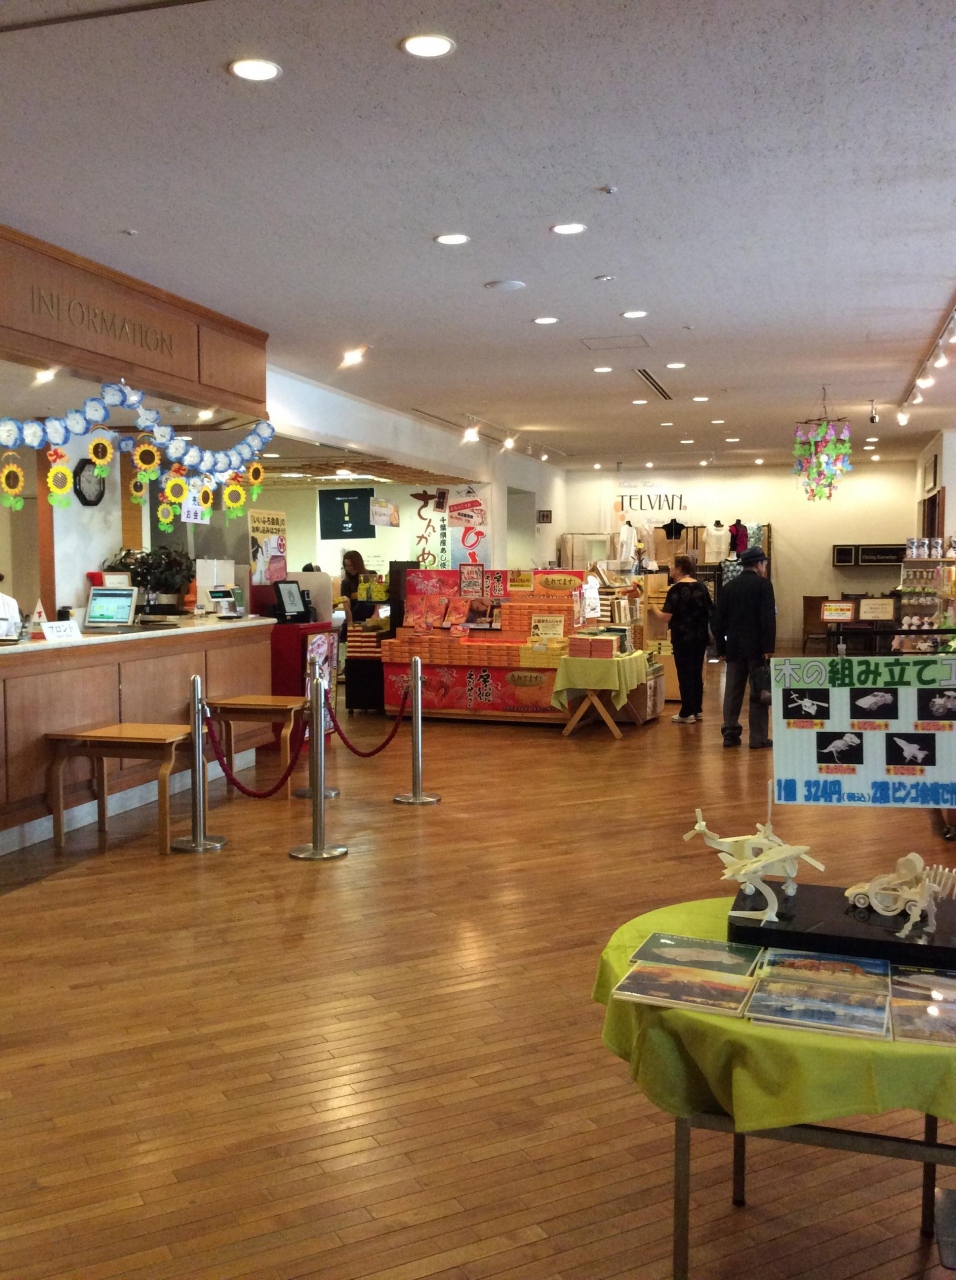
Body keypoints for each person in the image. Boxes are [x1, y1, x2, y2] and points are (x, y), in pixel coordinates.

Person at [711, 545, 775, 749]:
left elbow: (717, 621)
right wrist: (768, 647)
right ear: (758, 564)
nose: (765, 567)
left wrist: (721, 648)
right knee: (759, 691)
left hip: (734, 647)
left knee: (732, 691)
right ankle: (758, 738)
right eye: (764, 563)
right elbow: (768, 619)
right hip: (757, 648)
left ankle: (730, 733)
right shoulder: (764, 586)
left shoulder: (729, 587)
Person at [653, 554, 712, 724]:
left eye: (672, 566)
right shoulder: (702, 587)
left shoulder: (675, 590)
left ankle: (686, 712)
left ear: (679, 569)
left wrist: (654, 608)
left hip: (682, 638)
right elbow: (709, 610)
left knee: (685, 673)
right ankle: (697, 709)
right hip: (700, 637)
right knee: (696, 672)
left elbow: (666, 617)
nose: (670, 568)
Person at [339, 550, 375, 625]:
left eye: (351, 566)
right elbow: (347, 606)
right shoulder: (346, 583)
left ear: (358, 564)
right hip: (355, 619)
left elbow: (377, 598)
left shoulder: (371, 575)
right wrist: (350, 622)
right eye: (347, 566)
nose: (349, 568)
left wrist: (376, 614)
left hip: (372, 618)